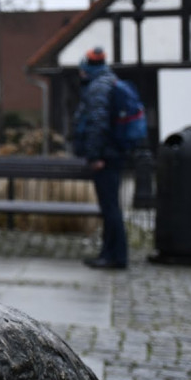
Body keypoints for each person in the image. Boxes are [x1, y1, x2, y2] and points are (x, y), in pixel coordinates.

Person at [72, 47, 128, 270]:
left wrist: (95, 155)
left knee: (110, 208)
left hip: (106, 158)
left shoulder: (98, 88)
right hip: (113, 154)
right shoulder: (109, 81)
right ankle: (110, 253)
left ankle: (115, 256)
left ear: (87, 68)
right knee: (110, 207)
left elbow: (98, 124)